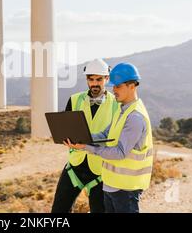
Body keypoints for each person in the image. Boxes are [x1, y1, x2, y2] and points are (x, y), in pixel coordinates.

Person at [64, 62, 153, 213]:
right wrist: (81, 138)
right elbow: (105, 134)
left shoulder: (135, 117)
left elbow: (119, 153)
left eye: (118, 86)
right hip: (111, 185)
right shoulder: (122, 109)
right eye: (113, 86)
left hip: (126, 188)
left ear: (132, 86)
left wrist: (86, 147)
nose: (114, 90)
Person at [51, 59, 118, 213]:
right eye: (91, 79)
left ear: (107, 79)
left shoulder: (116, 104)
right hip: (75, 166)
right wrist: (64, 138)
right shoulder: (75, 100)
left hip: (100, 170)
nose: (94, 83)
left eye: (99, 79)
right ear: (87, 79)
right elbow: (66, 129)